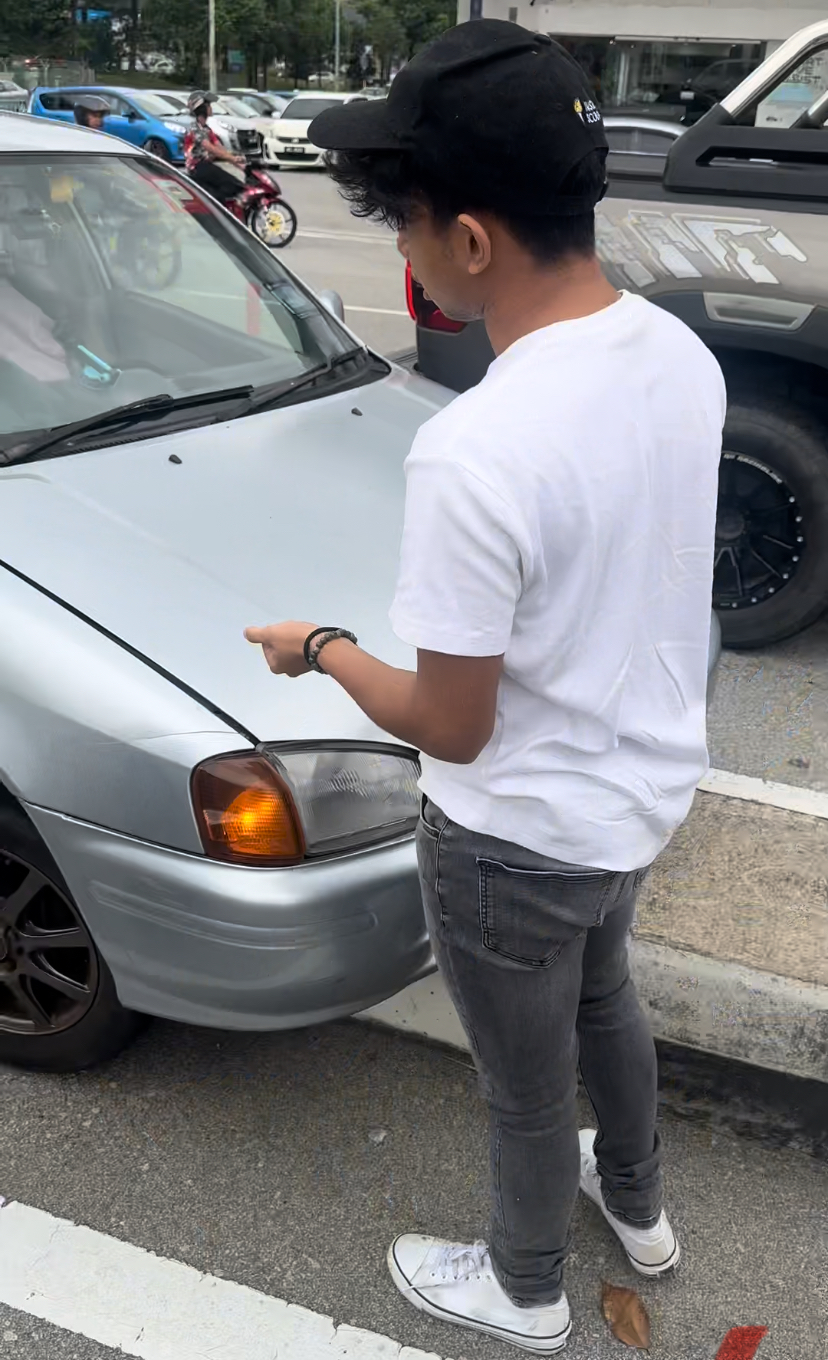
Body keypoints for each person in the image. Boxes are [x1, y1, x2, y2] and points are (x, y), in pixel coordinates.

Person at [244, 19, 725, 1355]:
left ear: (467, 240)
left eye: (400, 224)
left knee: (524, 1086)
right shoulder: (679, 357)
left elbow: (452, 722)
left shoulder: (480, 446)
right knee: (606, 999)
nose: (399, 249)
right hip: (634, 798)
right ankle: (640, 1216)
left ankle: (523, 1289)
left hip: (511, 837)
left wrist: (324, 648)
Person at [183, 91, 246, 205]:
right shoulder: (195, 128)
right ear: (201, 107)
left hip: (206, 166)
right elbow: (209, 147)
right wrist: (232, 159)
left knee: (237, 185)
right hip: (197, 168)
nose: (211, 108)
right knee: (229, 186)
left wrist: (242, 166)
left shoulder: (206, 129)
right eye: (208, 105)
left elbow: (220, 149)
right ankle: (219, 213)